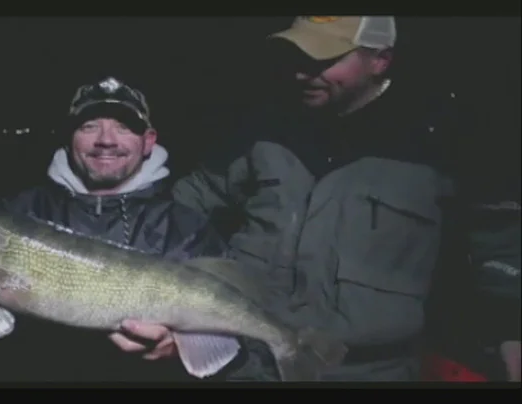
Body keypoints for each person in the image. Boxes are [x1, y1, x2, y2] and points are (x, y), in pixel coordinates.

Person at [169, 16, 520, 381]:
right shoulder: (264, 129)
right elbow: (183, 207)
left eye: (323, 61)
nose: (302, 74)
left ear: (380, 60)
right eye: (297, 58)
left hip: (370, 369)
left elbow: (498, 247)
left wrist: (512, 336)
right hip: (249, 360)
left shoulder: (439, 143)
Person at [0, 76, 229, 381]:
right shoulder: (16, 214)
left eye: (124, 126)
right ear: (68, 137)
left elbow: (234, 342)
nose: (106, 140)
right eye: (88, 126)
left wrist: (176, 350)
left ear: (148, 141)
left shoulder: (186, 229)